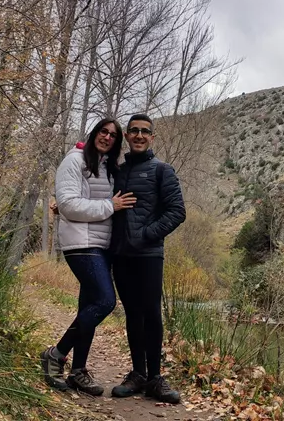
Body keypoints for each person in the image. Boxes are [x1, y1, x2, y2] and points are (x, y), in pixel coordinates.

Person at [41, 118, 136, 395]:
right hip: (80, 244)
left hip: (101, 245)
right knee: (106, 302)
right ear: (94, 132)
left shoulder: (107, 166)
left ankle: (78, 371)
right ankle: (56, 355)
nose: (107, 137)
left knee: (89, 305)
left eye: (113, 135)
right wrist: (111, 205)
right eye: (103, 132)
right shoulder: (74, 160)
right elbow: (69, 205)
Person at [109, 114, 186, 404]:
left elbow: (177, 212)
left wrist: (144, 235)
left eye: (145, 132)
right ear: (127, 137)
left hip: (149, 254)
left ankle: (155, 378)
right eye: (134, 131)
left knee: (152, 314)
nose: (139, 135)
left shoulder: (162, 171)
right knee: (132, 314)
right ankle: (138, 374)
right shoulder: (117, 170)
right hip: (121, 255)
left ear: (152, 138)